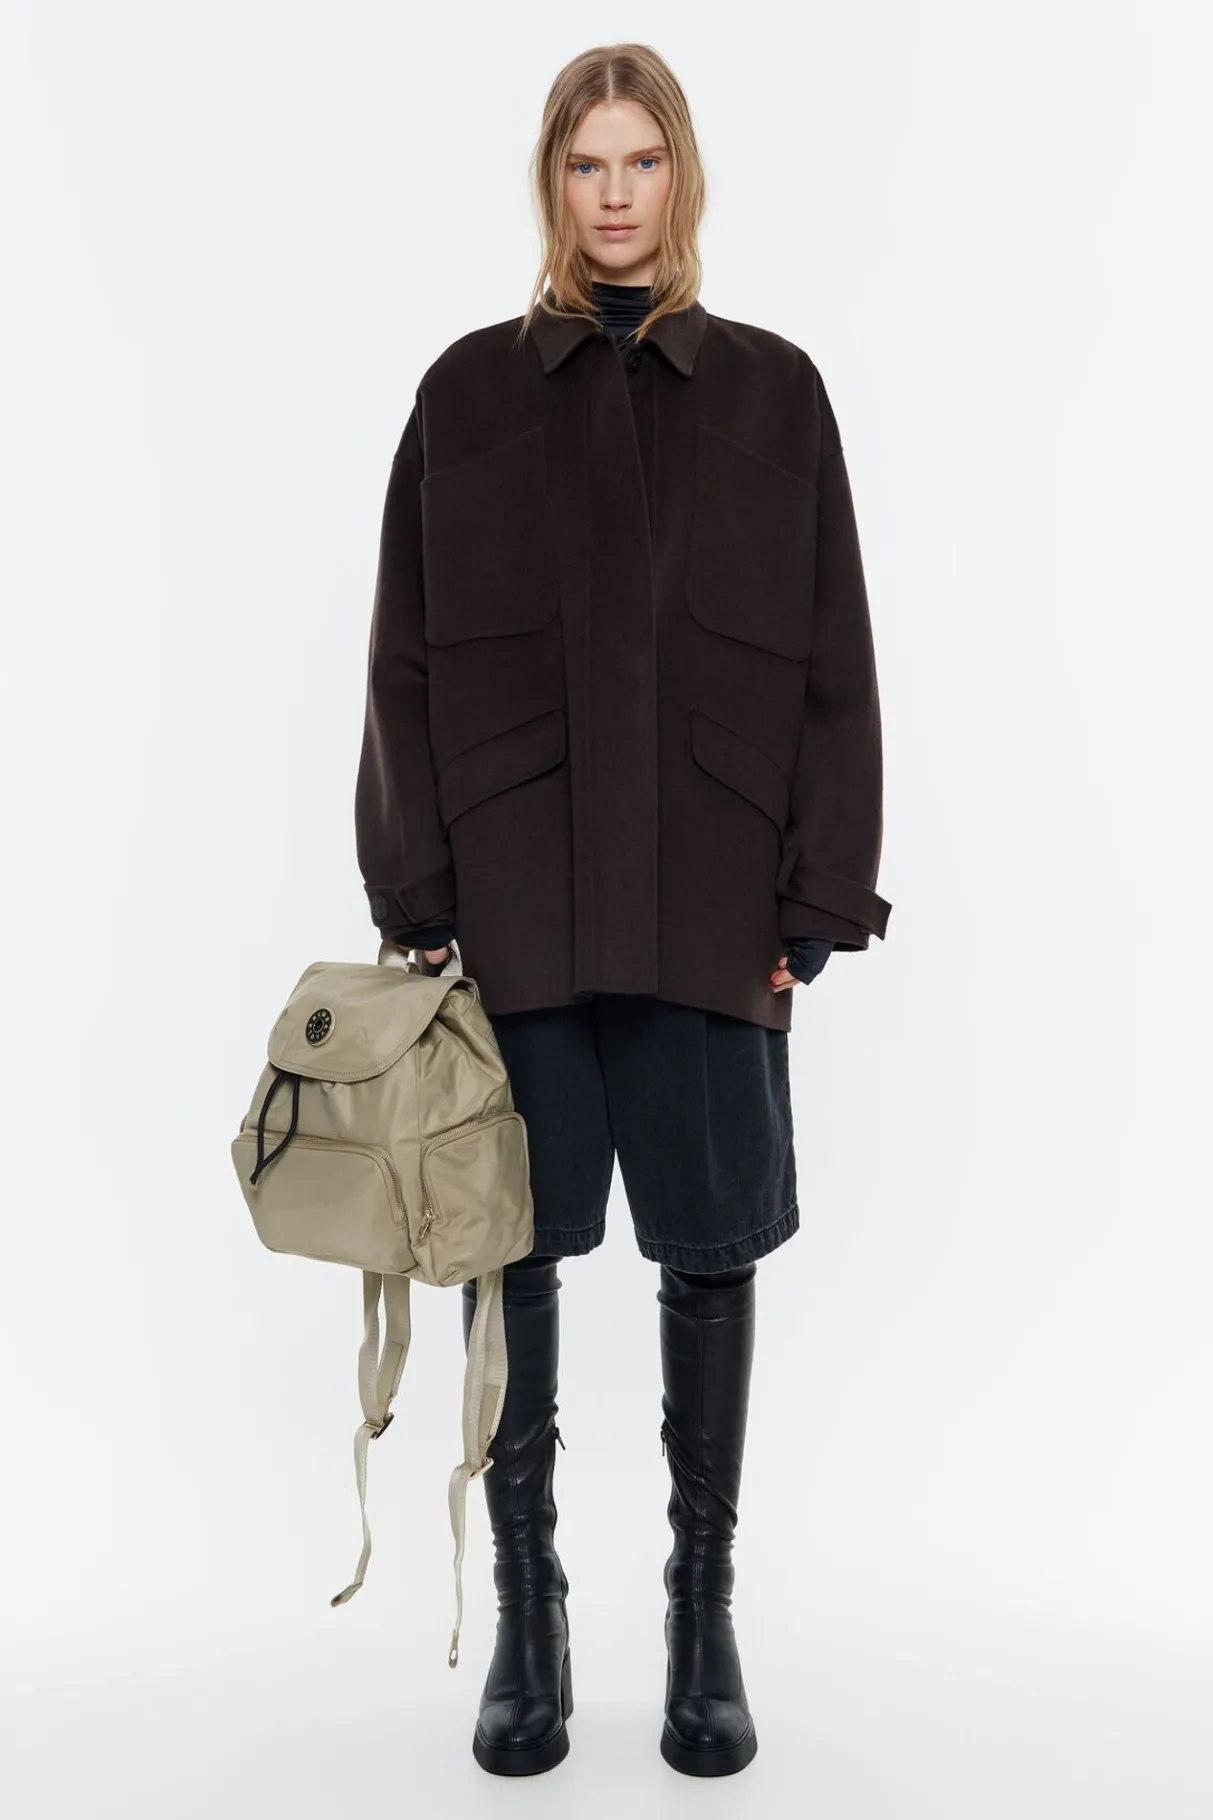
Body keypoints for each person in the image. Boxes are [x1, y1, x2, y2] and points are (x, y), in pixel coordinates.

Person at [354, 41, 891, 1781]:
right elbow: (404, 655)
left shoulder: (776, 395)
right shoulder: (464, 396)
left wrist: (819, 885)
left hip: (711, 896)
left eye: (639, 162)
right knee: (509, 1245)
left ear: (681, 177)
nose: (612, 194)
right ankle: (531, 1613)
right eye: (585, 164)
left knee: (711, 1243)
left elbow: (832, 655)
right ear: (551, 181)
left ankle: (702, 1608)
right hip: (516, 896)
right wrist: (414, 881)